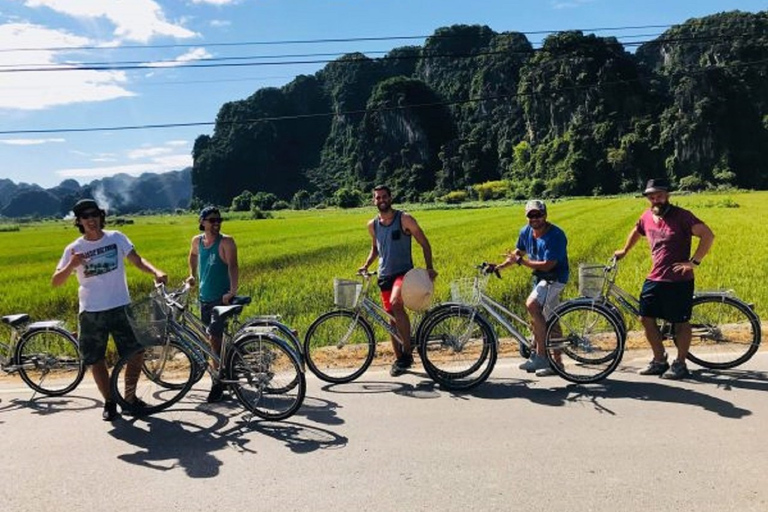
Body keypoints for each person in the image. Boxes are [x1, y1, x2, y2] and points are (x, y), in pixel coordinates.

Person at [52, 198, 167, 421]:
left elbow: (137, 259)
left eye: (94, 215)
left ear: (100, 216)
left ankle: (130, 399)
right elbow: (56, 281)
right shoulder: (73, 249)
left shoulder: (116, 238)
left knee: (136, 352)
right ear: (79, 221)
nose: (91, 220)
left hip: (121, 306)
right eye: (85, 217)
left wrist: (156, 271)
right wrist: (71, 265)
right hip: (92, 312)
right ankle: (109, 402)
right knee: (96, 359)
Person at [614, 178, 714, 379]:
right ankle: (659, 360)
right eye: (651, 196)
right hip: (655, 277)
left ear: (667, 195)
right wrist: (625, 250)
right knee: (645, 318)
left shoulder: (682, 217)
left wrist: (694, 262)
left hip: (679, 280)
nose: (655, 199)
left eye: (659, 195)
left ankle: (680, 364)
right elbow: (637, 230)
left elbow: (708, 235)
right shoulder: (647, 217)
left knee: (680, 322)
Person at [359, 185, 437, 377]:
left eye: (384, 196)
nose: (381, 200)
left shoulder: (404, 219)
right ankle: (400, 359)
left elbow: (424, 242)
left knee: (396, 304)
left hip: (403, 274)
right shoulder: (373, 225)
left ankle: (408, 353)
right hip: (384, 276)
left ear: (391, 198)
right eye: (378, 198)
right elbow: (376, 249)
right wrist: (366, 265)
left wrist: (429, 267)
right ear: (373, 201)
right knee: (390, 320)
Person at [487, 199, 569, 377]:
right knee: (546, 319)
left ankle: (540, 356)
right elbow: (518, 253)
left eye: (538, 215)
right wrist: (499, 266)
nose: (535, 219)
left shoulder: (555, 235)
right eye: (531, 215)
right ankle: (557, 364)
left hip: (555, 277)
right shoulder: (525, 232)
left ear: (545, 215)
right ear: (527, 217)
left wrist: (521, 262)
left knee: (532, 305)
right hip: (541, 279)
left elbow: (548, 265)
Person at [186, 206, 239, 402]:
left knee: (214, 341)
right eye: (212, 220)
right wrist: (191, 274)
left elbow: (233, 266)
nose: (216, 223)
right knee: (212, 341)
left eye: (219, 220)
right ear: (202, 222)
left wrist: (232, 291)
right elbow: (192, 255)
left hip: (221, 298)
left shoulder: (226, 242)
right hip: (204, 298)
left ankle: (218, 383)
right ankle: (228, 369)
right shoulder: (197, 241)